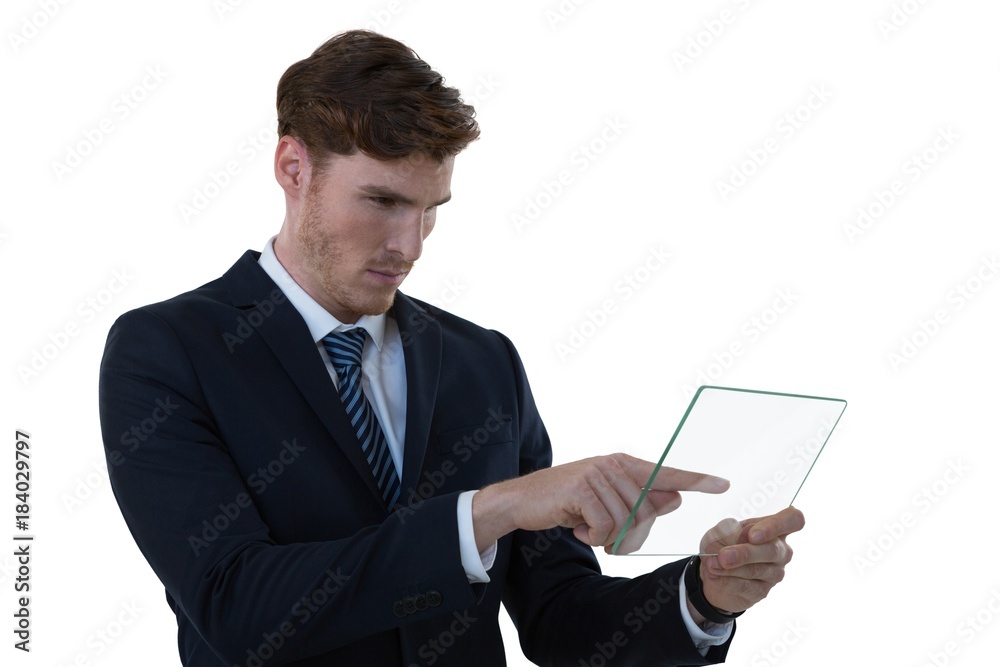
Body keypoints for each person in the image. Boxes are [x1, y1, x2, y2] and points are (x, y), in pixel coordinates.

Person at [99, 29, 803, 666]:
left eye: (430, 209)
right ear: (293, 168)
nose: (409, 245)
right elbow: (237, 608)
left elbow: (561, 618)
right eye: (383, 201)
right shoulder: (168, 350)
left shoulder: (484, 362)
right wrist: (492, 510)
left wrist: (702, 597)